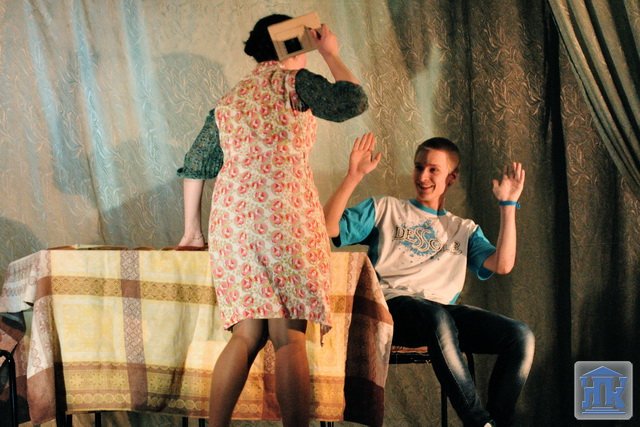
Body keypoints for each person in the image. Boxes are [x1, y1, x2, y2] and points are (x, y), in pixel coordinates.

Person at [176, 14, 368, 427]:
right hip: (284, 217)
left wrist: (192, 231)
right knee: (288, 336)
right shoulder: (294, 83)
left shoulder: (229, 101)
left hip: (234, 224)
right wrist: (330, 53)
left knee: (246, 335)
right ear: (294, 47)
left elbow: (195, 165)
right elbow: (351, 101)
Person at [323, 133, 535, 427]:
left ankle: (496, 423)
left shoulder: (463, 229)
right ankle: (479, 423)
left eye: (433, 169)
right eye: (419, 167)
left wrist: (508, 206)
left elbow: (502, 264)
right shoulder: (386, 209)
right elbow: (328, 227)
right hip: (391, 308)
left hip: (441, 315)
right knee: (437, 317)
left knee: (520, 336)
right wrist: (353, 176)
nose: (423, 176)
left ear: (451, 177)